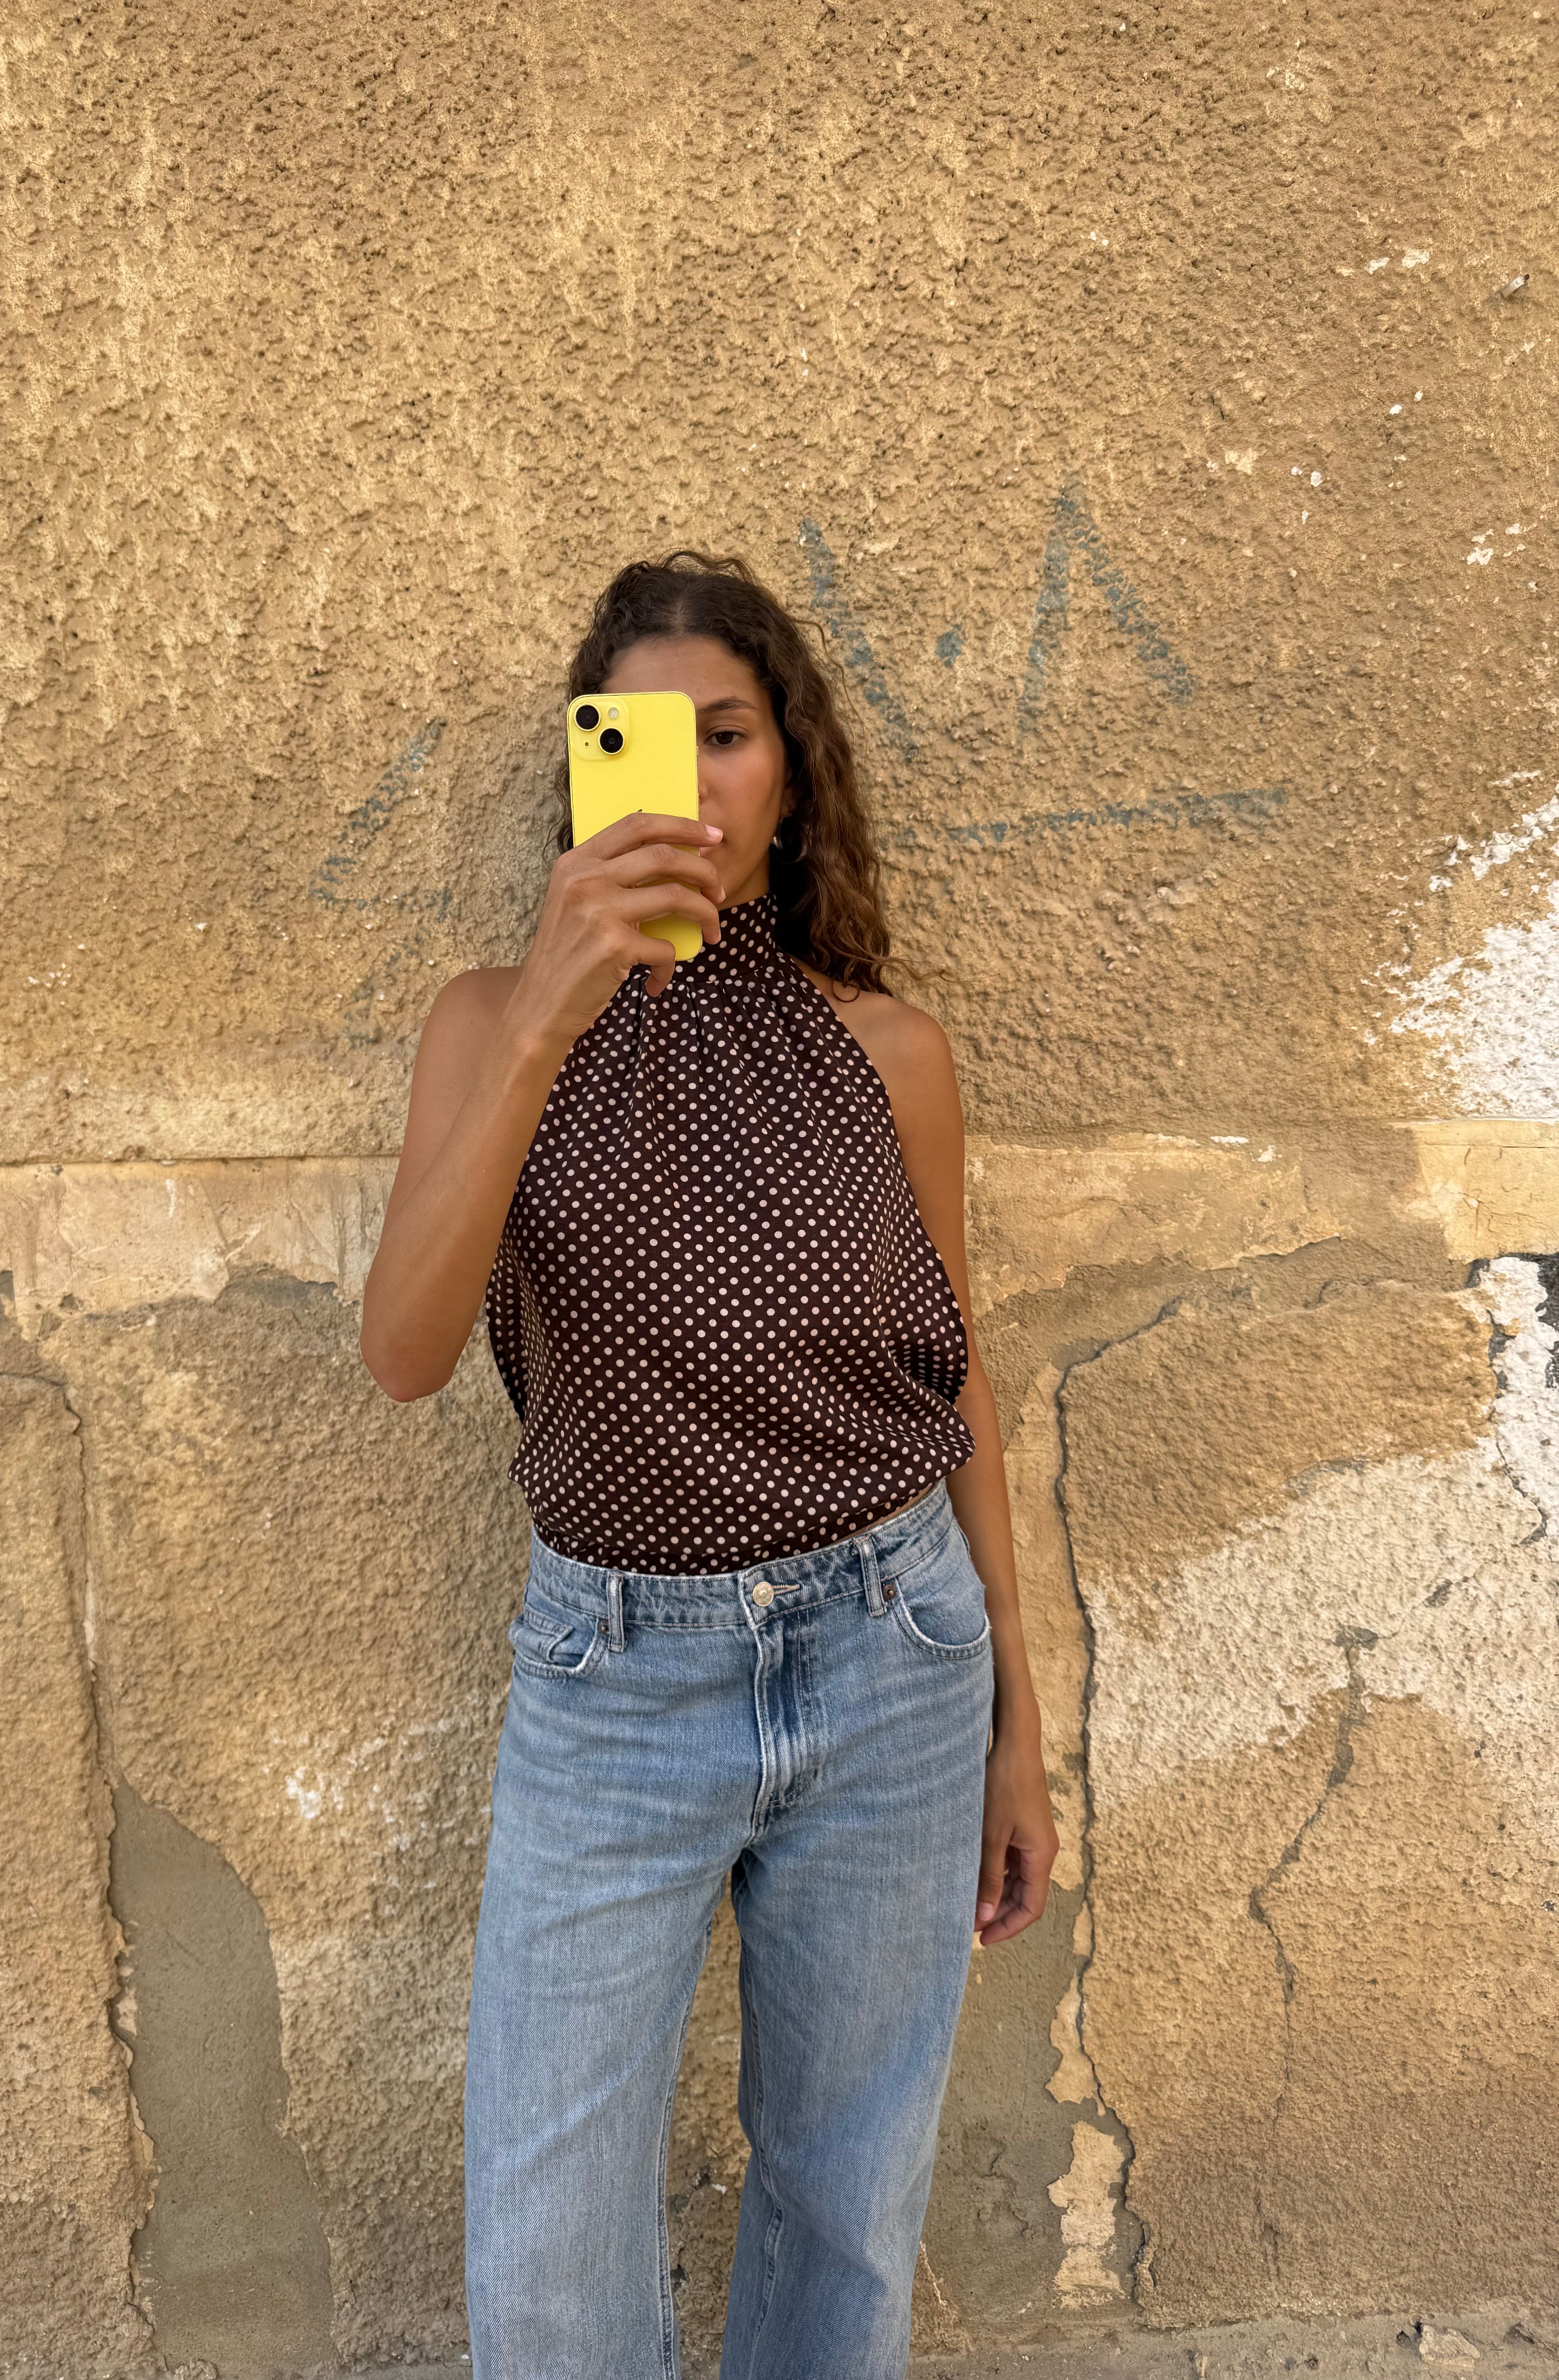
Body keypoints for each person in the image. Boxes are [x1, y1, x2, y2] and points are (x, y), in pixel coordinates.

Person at [360, 551, 1058, 2380]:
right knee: (547, 2242)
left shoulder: (889, 1053)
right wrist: (548, 1012)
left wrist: (1017, 1716)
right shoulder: (485, 1024)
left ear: (791, 777)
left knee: (845, 2204)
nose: (689, 782)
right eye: (642, 741)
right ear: (587, 774)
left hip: (893, 1650)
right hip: (615, 1673)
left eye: (728, 735)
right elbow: (404, 1355)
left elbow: (956, 1378)